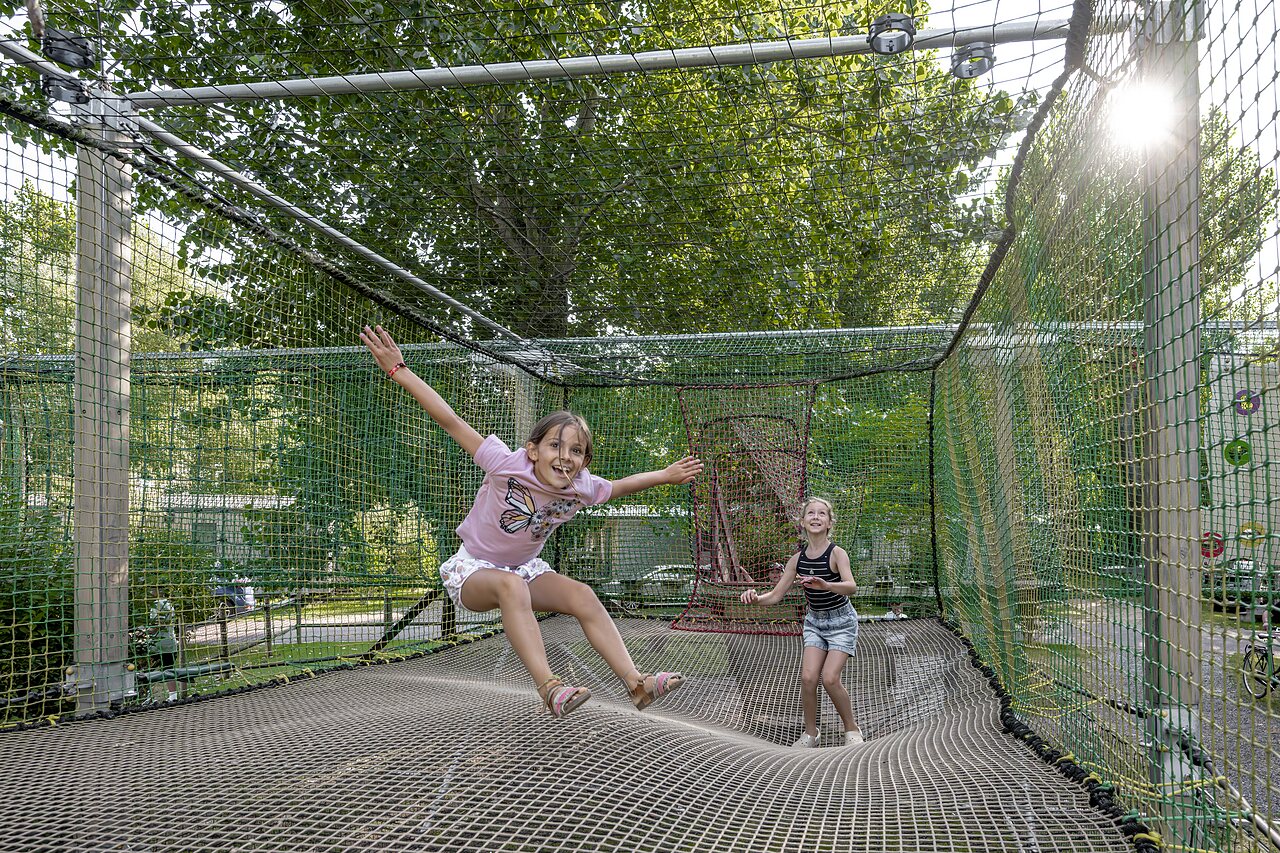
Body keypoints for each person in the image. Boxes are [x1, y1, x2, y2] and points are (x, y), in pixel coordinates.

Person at [361, 324, 703, 718]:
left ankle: (636, 683)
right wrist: (398, 370)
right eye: (555, 445)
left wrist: (665, 474)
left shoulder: (582, 488)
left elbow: (623, 486)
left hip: (524, 570)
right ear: (533, 450)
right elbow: (451, 420)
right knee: (510, 586)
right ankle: (550, 688)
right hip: (474, 571)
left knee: (582, 595)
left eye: (576, 450)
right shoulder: (506, 463)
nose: (565, 456)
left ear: (584, 462)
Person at [739, 496, 864, 747]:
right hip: (815, 623)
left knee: (829, 678)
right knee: (808, 678)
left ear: (829, 523)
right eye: (810, 514)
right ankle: (811, 733)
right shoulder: (797, 560)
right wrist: (755, 599)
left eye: (821, 514)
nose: (816, 517)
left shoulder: (837, 553)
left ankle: (851, 729)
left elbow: (851, 587)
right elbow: (775, 596)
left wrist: (826, 584)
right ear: (803, 522)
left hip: (841, 622)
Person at [147, 593, 180, 702]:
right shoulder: (168, 603)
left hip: (159, 644)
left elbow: (160, 624)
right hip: (170, 643)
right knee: (168, 669)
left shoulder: (158, 604)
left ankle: (148, 696)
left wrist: (145, 631)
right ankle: (173, 696)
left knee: (149, 669)